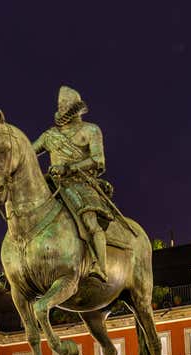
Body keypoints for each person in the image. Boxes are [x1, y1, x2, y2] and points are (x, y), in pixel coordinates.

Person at [33, 86, 114, 282]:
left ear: (76, 109)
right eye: (60, 105)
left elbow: (98, 160)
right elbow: (28, 152)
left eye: (65, 106)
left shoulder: (91, 130)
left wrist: (68, 168)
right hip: (53, 183)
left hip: (81, 183)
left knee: (89, 221)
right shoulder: (49, 135)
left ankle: (100, 267)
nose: (61, 108)